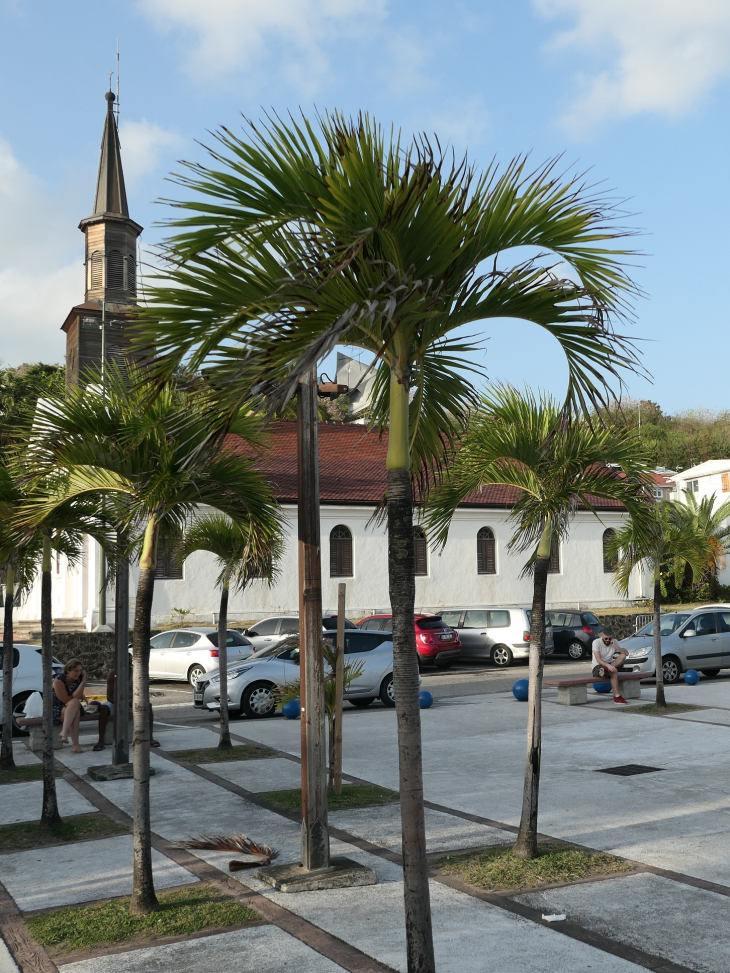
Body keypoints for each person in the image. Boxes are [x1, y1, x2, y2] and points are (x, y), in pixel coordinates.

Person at [52, 659, 111, 752]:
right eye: (76, 671)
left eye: (80, 670)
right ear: (68, 670)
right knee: (75, 709)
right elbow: (66, 700)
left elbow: (76, 697)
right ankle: (72, 742)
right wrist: (78, 696)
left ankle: (67, 736)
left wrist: (83, 681)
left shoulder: (78, 680)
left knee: (75, 710)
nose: (78, 673)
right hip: (57, 709)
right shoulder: (58, 681)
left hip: (71, 708)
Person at [106, 657, 159, 747]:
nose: (126, 666)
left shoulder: (136, 673)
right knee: (104, 709)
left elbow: (142, 693)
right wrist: (119, 703)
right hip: (116, 702)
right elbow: (109, 696)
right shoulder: (113, 674)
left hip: (132, 700)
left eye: (128, 663)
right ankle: (100, 740)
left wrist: (135, 700)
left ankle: (150, 737)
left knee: (148, 706)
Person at [592, 628, 630, 705]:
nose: (607, 640)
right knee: (614, 671)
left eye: (609, 639)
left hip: (610, 665)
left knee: (622, 656)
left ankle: (606, 670)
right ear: (602, 636)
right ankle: (617, 697)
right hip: (598, 666)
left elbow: (626, 653)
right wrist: (608, 666)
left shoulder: (614, 642)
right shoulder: (596, 642)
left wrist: (616, 647)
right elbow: (598, 659)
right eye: (606, 638)